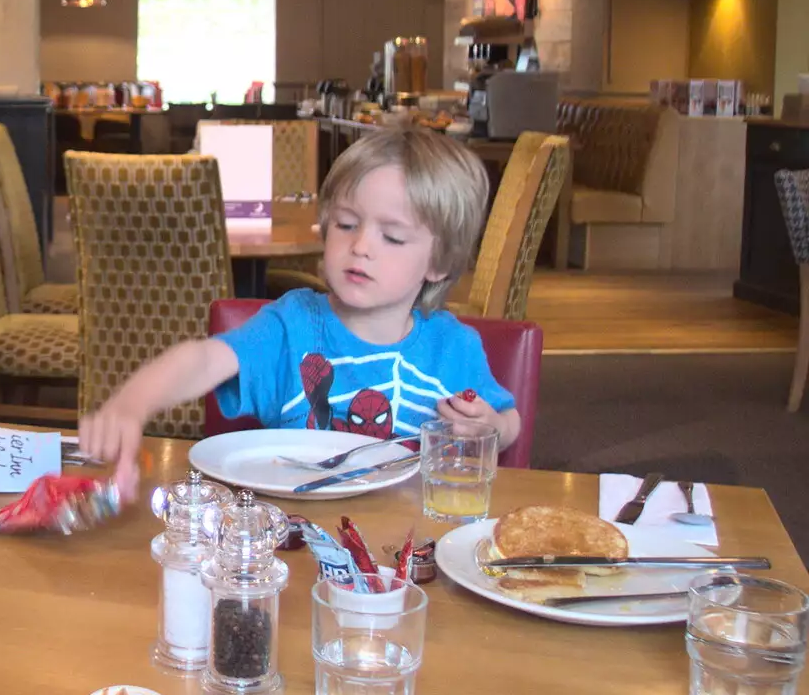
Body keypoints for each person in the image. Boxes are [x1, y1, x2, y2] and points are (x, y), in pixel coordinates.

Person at [80, 126, 519, 497]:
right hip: (289, 536)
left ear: (439, 262)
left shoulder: (453, 346)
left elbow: (507, 419)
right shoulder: (290, 325)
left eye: (393, 237)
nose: (361, 246)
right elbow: (202, 359)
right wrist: (132, 402)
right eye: (346, 224)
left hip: (405, 545)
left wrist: (492, 426)